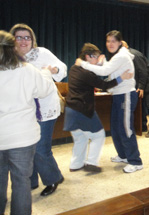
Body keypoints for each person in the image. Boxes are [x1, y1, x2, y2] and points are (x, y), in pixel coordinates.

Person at [0, 30, 55, 215]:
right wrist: (46, 73)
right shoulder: (27, 70)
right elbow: (45, 90)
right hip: (23, 138)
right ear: (13, 47)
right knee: (21, 182)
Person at [10, 24, 66, 196]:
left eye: (27, 37)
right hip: (23, 111)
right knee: (27, 146)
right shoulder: (9, 58)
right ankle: (31, 180)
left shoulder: (41, 53)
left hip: (45, 109)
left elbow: (62, 68)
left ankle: (53, 178)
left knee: (41, 148)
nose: (23, 41)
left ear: (32, 40)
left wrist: (55, 69)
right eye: (19, 37)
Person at [75, 30, 143, 173]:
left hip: (126, 95)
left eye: (113, 41)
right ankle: (124, 155)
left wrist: (84, 64)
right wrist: (103, 62)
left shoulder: (122, 56)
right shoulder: (117, 57)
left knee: (125, 128)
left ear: (119, 42)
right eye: (108, 41)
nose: (110, 44)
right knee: (116, 128)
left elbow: (105, 71)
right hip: (118, 95)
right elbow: (110, 71)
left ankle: (136, 161)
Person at [64, 43, 133, 173]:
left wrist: (100, 64)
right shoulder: (86, 73)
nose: (97, 59)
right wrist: (121, 78)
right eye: (95, 57)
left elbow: (94, 74)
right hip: (82, 109)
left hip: (70, 110)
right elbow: (104, 85)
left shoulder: (74, 68)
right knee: (99, 135)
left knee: (80, 138)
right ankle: (91, 162)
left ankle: (76, 164)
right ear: (88, 57)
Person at [122, 41, 149, 138]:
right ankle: (142, 126)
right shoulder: (126, 56)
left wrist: (141, 87)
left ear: (125, 46)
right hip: (140, 83)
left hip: (148, 83)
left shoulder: (134, 55)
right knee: (140, 106)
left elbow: (143, 71)